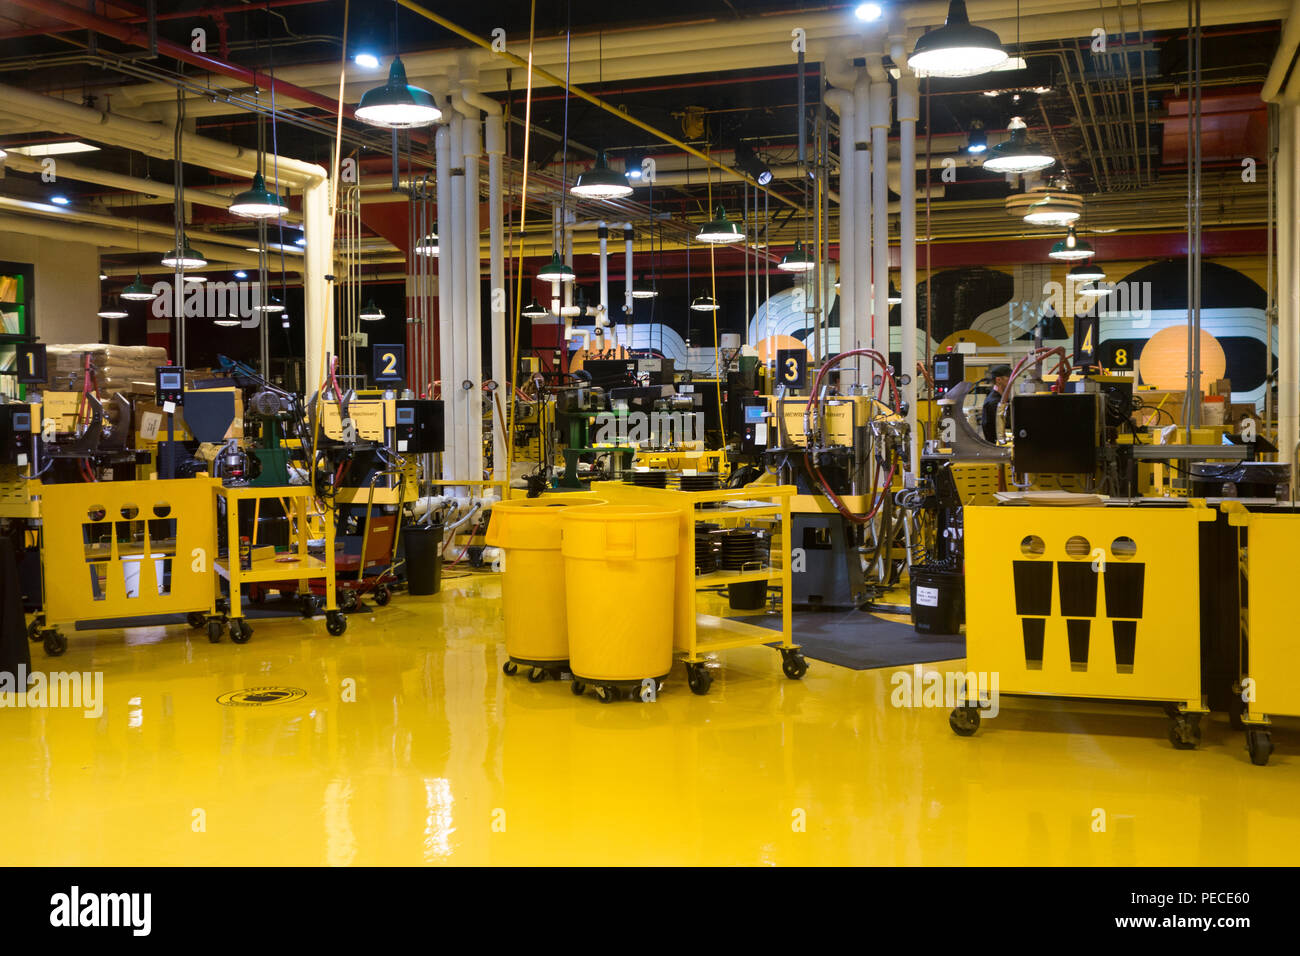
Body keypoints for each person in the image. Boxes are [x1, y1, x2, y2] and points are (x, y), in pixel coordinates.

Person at [981, 364, 1011, 442]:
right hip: (997, 448)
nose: (1011, 383)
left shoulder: (1002, 399)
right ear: (998, 380)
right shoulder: (994, 402)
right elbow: (1007, 425)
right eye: (1009, 379)